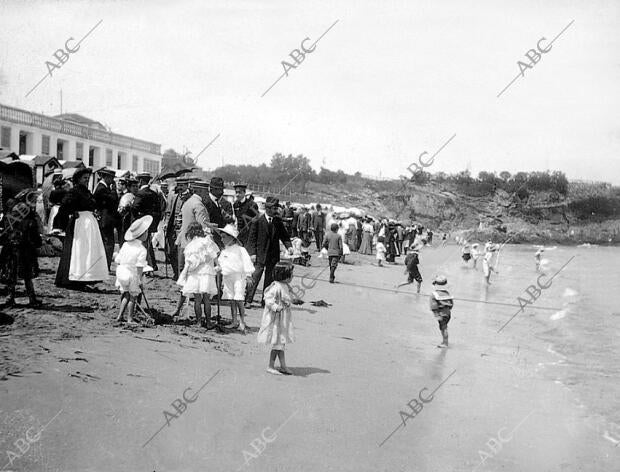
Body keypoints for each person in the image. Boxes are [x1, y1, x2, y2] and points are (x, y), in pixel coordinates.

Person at [54, 168, 108, 288]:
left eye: (88, 178)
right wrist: (73, 212)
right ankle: (74, 278)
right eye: (84, 178)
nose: (86, 180)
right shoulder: (75, 191)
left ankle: (85, 278)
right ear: (78, 179)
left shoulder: (86, 191)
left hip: (88, 224)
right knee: (78, 250)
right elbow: (64, 205)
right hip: (80, 224)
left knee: (87, 251)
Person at [245, 196, 293, 308]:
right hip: (259, 255)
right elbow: (251, 239)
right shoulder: (257, 220)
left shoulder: (277, 221)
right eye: (273, 208)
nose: (275, 210)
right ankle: (248, 300)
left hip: (273, 256)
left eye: (276, 208)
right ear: (267, 208)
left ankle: (265, 300)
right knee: (255, 277)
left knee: (270, 280)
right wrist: (252, 253)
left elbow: (284, 236)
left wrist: (289, 247)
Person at [0, 192, 42, 307]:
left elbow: (4, 229)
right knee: (27, 275)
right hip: (25, 249)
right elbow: (35, 235)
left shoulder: (10, 214)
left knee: (11, 274)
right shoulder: (30, 217)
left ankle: (10, 298)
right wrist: (38, 243)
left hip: (11, 247)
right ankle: (32, 299)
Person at [176, 222, 221, 328]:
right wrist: (218, 265)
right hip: (206, 271)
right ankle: (209, 322)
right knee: (206, 298)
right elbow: (214, 254)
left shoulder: (190, 246)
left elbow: (188, 263)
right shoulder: (207, 241)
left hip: (195, 273)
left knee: (197, 299)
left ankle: (199, 321)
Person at [257, 261, 295, 375]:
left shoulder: (286, 286)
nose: (292, 277)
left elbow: (288, 297)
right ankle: (270, 365)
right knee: (278, 342)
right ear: (283, 275)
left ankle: (283, 366)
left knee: (281, 342)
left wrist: (293, 301)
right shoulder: (275, 286)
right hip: (276, 318)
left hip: (283, 318)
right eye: (291, 274)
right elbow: (268, 299)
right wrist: (275, 307)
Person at [217, 224, 255, 332]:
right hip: (227, 277)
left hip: (239, 277)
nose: (222, 239)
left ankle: (242, 321)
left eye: (224, 237)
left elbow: (247, 262)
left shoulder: (240, 250)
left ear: (231, 238)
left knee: (239, 298)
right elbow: (220, 263)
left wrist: (248, 275)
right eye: (221, 237)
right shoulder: (224, 251)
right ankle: (234, 320)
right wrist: (218, 269)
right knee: (231, 299)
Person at [114, 215, 151, 323]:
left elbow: (118, 259)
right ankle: (130, 318)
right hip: (132, 274)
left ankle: (120, 315)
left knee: (125, 294)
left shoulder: (126, 245)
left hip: (121, 272)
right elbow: (140, 267)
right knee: (133, 297)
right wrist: (139, 280)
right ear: (142, 234)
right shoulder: (142, 249)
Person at [131, 173, 162, 272]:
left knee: (142, 244)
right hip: (150, 222)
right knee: (148, 243)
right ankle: (151, 264)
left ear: (140, 181)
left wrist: (137, 219)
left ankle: (146, 265)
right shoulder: (154, 193)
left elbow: (134, 208)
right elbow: (158, 209)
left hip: (141, 222)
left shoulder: (140, 193)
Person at [94, 168, 120, 269]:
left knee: (107, 242)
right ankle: (105, 265)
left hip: (105, 218)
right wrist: (114, 189)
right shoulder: (102, 189)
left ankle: (104, 264)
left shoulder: (102, 187)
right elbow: (114, 200)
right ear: (107, 177)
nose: (113, 180)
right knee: (109, 242)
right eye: (112, 178)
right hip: (106, 219)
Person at [430, 275, 453, 348]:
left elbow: (433, 306)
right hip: (448, 313)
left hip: (441, 313)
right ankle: (444, 341)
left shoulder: (434, 294)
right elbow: (451, 304)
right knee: (444, 327)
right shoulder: (447, 293)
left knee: (443, 328)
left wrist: (437, 315)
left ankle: (445, 343)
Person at [118, 177, 138, 244]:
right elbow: (121, 211)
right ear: (129, 187)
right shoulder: (127, 196)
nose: (135, 188)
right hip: (126, 222)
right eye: (133, 186)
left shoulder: (136, 196)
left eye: (136, 186)